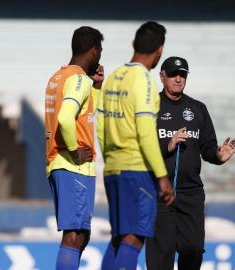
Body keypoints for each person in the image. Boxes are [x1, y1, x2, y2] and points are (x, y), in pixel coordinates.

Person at [145, 56, 235, 270]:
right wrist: (167, 146)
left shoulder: (198, 108)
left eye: (183, 75)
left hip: (191, 193)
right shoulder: (150, 107)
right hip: (160, 192)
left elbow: (207, 149)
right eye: (173, 74)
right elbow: (140, 149)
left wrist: (218, 156)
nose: (178, 79)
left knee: (193, 250)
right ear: (162, 77)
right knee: (161, 257)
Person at [96, 21, 175, 270]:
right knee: (133, 237)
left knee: (119, 237)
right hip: (136, 170)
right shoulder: (144, 80)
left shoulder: (113, 78)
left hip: (113, 170)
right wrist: (162, 176)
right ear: (160, 50)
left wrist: (110, 159)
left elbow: (100, 127)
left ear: (134, 44)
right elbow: (145, 131)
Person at [45, 26, 104, 270]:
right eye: (100, 51)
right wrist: (74, 149)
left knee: (81, 234)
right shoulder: (78, 79)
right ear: (93, 51)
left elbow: (85, 115)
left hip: (60, 165)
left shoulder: (58, 77)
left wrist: (97, 88)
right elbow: (66, 118)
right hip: (73, 166)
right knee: (74, 235)